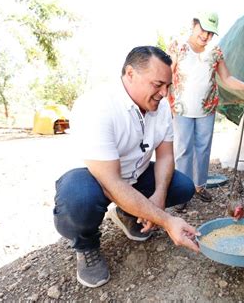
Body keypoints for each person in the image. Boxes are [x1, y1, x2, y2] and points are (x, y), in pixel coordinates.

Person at [53, 46, 199, 288]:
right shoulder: (97, 105)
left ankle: (129, 213)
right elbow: (110, 182)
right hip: (92, 180)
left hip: (133, 175)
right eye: (157, 84)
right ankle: (86, 244)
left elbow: (164, 157)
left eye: (167, 86)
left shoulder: (160, 106)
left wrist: (159, 198)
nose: (164, 93)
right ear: (130, 74)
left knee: (182, 186)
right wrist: (166, 220)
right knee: (78, 201)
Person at [167, 11, 244, 210]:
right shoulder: (178, 46)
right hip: (181, 108)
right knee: (183, 150)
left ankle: (199, 187)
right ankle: (182, 192)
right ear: (194, 24)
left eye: (211, 33)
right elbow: (168, 73)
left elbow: (226, 78)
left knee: (203, 149)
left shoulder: (215, 52)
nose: (206, 36)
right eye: (204, 30)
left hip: (207, 108)